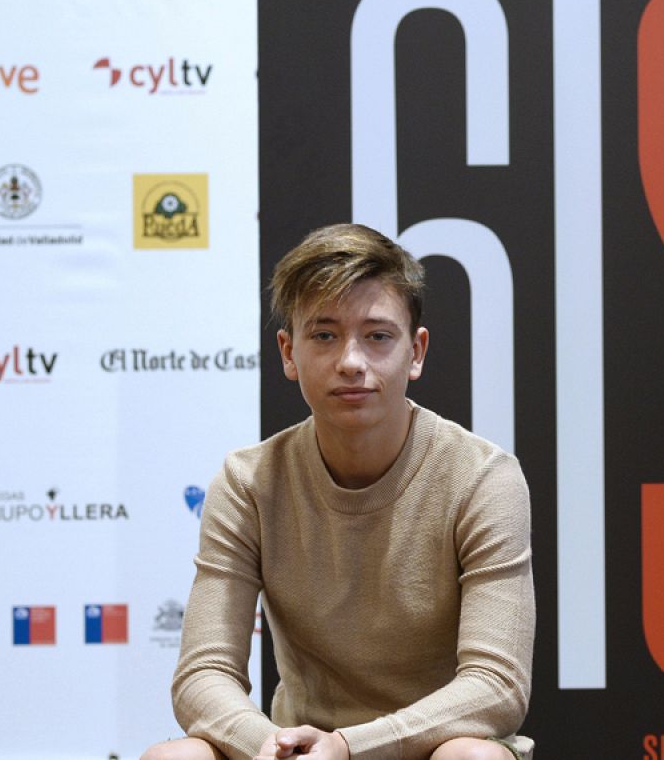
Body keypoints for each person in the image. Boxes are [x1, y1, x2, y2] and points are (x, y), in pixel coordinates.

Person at [141, 224, 534, 760]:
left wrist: (348, 747)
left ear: (415, 352)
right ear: (288, 351)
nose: (351, 361)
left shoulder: (483, 476)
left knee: (474, 757)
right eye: (324, 335)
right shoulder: (248, 482)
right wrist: (278, 749)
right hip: (293, 752)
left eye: (377, 336)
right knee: (173, 757)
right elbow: (202, 674)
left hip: (426, 747)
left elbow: (497, 684)